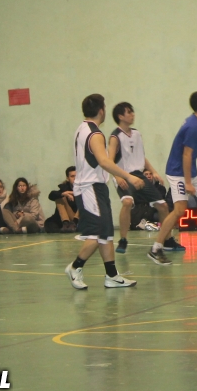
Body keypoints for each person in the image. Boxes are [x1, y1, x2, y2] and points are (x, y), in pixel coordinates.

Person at [64, 94, 144, 290]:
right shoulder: (95, 134)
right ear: (101, 110)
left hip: (96, 187)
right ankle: (75, 267)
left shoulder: (82, 128)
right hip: (90, 187)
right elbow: (104, 161)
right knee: (97, 233)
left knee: (106, 233)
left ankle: (112, 275)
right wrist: (129, 176)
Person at [148, 91, 197, 266]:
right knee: (179, 210)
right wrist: (188, 183)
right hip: (178, 172)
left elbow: (188, 143)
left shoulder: (195, 123)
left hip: (189, 171)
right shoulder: (194, 125)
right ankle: (156, 248)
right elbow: (186, 154)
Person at [107, 102, 170, 254]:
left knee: (163, 206)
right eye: (129, 112)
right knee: (127, 202)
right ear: (120, 116)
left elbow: (142, 157)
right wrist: (117, 176)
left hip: (139, 175)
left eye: (132, 111)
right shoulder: (115, 137)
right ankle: (123, 240)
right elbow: (109, 161)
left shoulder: (137, 134)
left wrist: (154, 171)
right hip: (123, 175)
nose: (132, 114)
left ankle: (168, 239)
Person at [45, 166, 78, 233]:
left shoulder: (85, 188)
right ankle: (65, 223)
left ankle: (74, 224)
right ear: (68, 178)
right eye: (72, 176)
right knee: (59, 197)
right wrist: (64, 193)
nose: (75, 178)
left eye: (77, 176)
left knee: (86, 199)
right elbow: (51, 195)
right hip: (67, 217)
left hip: (79, 217)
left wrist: (73, 193)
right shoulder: (65, 188)